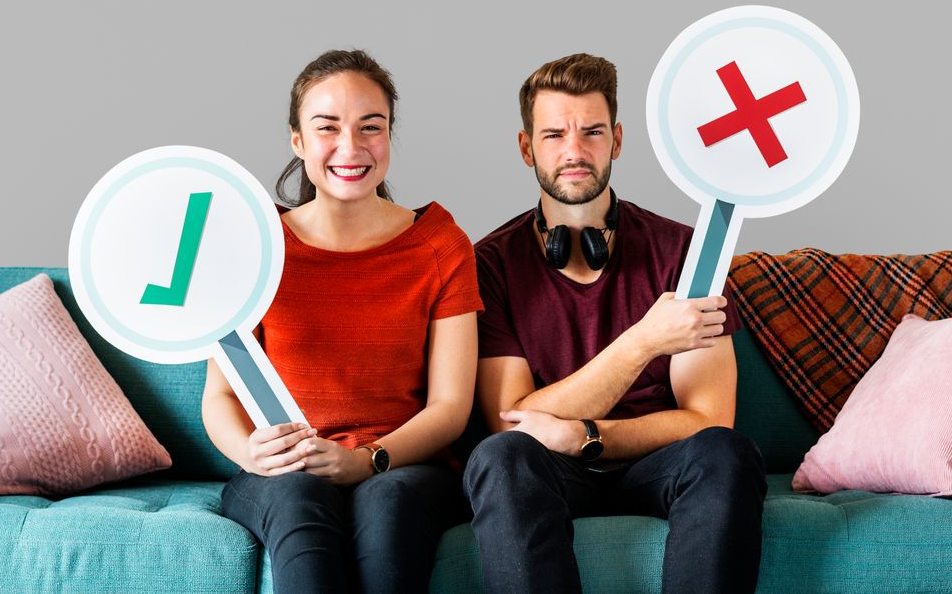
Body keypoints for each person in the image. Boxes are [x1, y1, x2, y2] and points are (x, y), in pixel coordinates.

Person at [463, 53, 767, 594]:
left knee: (727, 452)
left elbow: (708, 419)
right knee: (501, 457)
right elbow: (514, 423)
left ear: (617, 141)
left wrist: (585, 435)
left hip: (658, 465)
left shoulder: (687, 254)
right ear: (526, 147)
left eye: (592, 132)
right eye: (554, 134)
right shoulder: (490, 265)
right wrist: (643, 341)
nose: (575, 151)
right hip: (548, 472)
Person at [202, 49, 483, 594]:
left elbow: (451, 408)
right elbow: (220, 397)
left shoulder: (441, 245)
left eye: (370, 128)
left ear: (389, 137)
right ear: (298, 141)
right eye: (327, 128)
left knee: (390, 506)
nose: (350, 148)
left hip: (400, 466)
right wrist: (249, 454)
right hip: (284, 471)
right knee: (297, 500)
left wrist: (366, 460)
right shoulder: (256, 249)